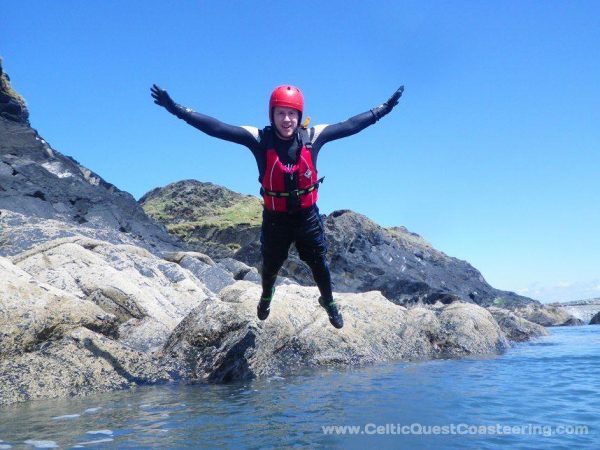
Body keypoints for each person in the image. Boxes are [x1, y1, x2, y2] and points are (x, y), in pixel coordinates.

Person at [151, 83, 403, 329]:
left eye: (292, 113)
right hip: (275, 219)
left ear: (299, 116)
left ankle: (328, 302)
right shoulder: (260, 139)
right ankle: (266, 295)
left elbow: (350, 125)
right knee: (271, 266)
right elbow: (217, 128)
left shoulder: (313, 136)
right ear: (272, 115)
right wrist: (176, 109)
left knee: (319, 263)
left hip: (307, 217)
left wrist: (382, 110)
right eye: (281, 113)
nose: (286, 119)